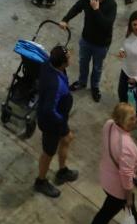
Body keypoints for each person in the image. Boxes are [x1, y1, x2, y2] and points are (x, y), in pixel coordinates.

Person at [89, 103, 137, 224]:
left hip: (106, 175)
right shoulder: (126, 147)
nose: (136, 120)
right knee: (105, 214)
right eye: (131, 118)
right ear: (120, 120)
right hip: (117, 190)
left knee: (130, 204)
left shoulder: (109, 124)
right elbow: (126, 176)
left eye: (135, 116)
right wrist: (128, 197)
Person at [60, 0, 117, 102]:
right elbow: (77, 7)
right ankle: (82, 82)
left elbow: (106, 25)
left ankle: (95, 87)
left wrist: (96, 10)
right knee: (83, 62)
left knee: (97, 67)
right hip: (86, 39)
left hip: (101, 44)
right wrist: (65, 19)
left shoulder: (111, 5)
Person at [33, 44, 78, 198]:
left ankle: (62, 171)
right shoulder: (55, 85)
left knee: (67, 139)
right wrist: (61, 122)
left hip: (59, 119)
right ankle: (40, 181)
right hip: (51, 123)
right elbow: (48, 110)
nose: (71, 56)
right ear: (63, 63)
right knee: (48, 152)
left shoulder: (48, 64)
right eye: (68, 57)